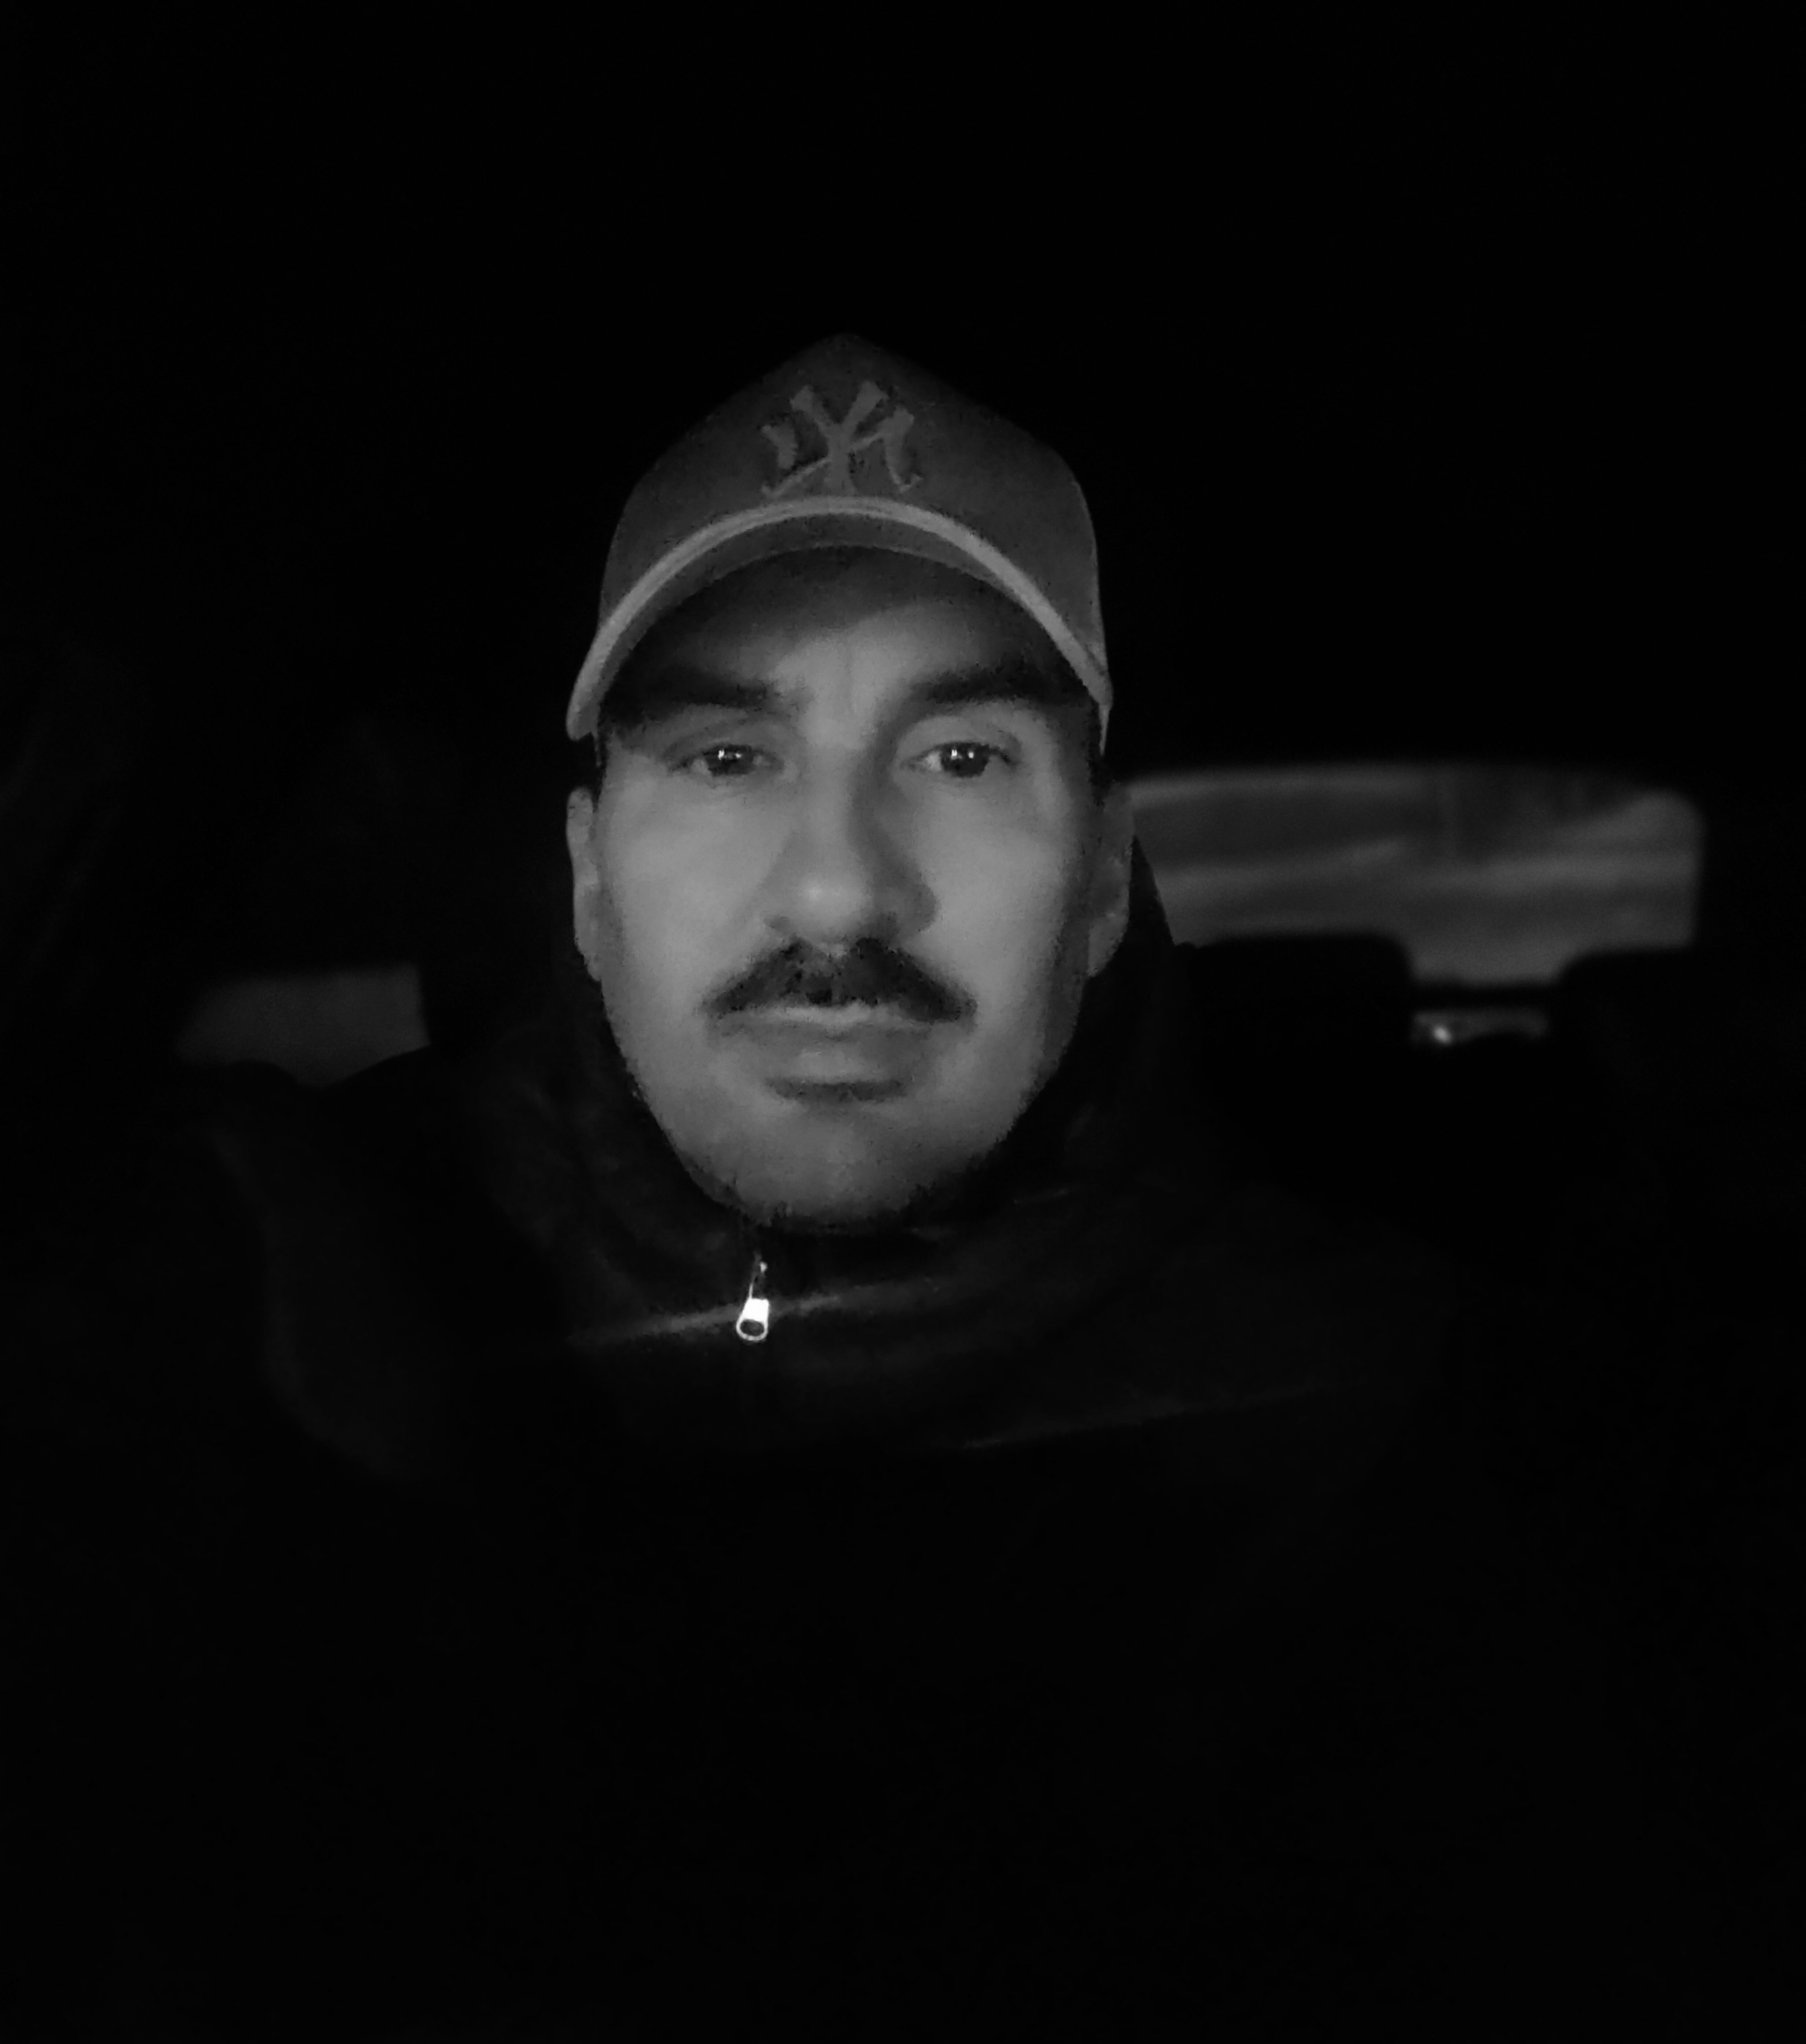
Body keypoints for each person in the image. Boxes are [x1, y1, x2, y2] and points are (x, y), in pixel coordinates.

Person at [2, 336, 1795, 2042]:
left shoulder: (1422, 1434)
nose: (839, 893)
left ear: (1102, 886)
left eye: (960, 758)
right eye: (726, 755)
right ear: (588, 881)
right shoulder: (250, 1283)